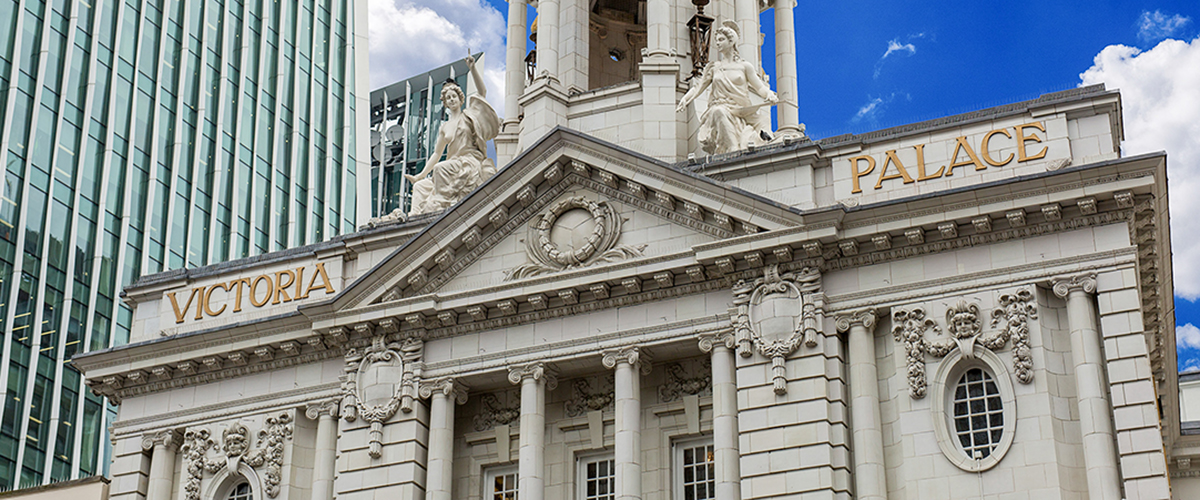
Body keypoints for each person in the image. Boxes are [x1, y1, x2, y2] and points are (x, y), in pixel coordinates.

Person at [405, 55, 500, 216]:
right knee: (420, 188)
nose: (451, 99)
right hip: (452, 166)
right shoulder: (444, 127)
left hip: (469, 163)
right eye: (448, 98)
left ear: (460, 98)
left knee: (440, 168)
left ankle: (440, 208)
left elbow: (482, 92)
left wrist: (473, 69)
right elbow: (437, 154)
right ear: (445, 103)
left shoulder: (469, 116)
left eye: (453, 96)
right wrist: (419, 176)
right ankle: (412, 221)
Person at [676, 21, 778, 155]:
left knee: (762, 125)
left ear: (731, 42)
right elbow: (698, 88)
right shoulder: (714, 67)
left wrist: (769, 95)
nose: (717, 43)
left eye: (721, 40)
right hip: (720, 107)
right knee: (718, 111)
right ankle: (733, 149)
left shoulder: (745, 66)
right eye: (717, 40)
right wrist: (685, 99)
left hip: (742, 110)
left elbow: (759, 88)